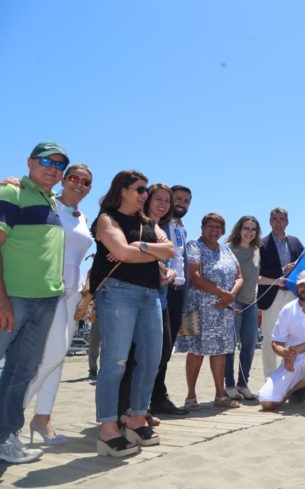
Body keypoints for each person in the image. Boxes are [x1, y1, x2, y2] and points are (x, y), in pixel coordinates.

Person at [91, 170, 173, 457]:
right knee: (115, 362)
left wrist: (139, 246)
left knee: (151, 358)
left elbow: (170, 250)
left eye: (145, 190)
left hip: (150, 295)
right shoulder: (107, 219)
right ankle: (108, 429)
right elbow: (122, 255)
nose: (144, 195)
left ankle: (138, 419)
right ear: (122, 190)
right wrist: (149, 251)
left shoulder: (148, 223)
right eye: (140, 189)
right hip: (117, 292)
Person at [0, 142, 68, 464]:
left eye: (59, 165)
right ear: (29, 162)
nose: (53, 168)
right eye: (46, 161)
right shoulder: (11, 194)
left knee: (21, 372)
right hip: (13, 298)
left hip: (46, 301)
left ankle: (4, 438)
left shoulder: (52, 202)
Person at [22, 164, 93, 445]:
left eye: (86, 182)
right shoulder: (48, 203)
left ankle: (43, 417)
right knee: (50, 357)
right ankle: (9, 416)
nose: (79, 184)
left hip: (73, 294)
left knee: (57, 357)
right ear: (63, 180)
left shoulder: (83, 217)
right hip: (47, 289)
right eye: (74, 178)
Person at [117, 184, 176, 423]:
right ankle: (125, 411)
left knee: (158, 356)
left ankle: (141, 408)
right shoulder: (134, 223)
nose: (163, 204)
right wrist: (154, 254)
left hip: (158, 299)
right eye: (158, 199)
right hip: (134, 297)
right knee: (131, 359)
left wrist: (169, 274)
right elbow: (126, 253)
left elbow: (168, 256)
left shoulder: (160, 228)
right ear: (147, 199)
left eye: (167, 201)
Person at [176, 213, 244, 410]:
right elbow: (194, 277)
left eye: (218, 227)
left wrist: (229, 296)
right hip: (195, 306)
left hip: (223, 309)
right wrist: (223, 294)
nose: (214, 230)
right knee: (195, 350)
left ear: (223, 230)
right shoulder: (193, 246)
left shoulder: (227, 251)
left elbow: (240, 277)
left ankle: (220, 395)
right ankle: (190, 396)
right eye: (210, 226)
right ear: (202, 227)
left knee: (220, 351)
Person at [258, 270, 305, 410]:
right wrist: (285, 353)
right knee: (266, 402)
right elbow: (276, 342)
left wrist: (295, 349)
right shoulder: (287, 309)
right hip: (292, 360)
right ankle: (301, 384)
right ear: (297, 287)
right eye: (302, 285)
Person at [150, 184, 193, 416]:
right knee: (154, 348)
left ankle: (158, 397)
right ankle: (147, 399)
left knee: (166, 349)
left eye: (187, 201)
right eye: (178, 199)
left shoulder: (181, 228)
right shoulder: (158, 224)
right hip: (160, 291)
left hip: (177, 291)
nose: (182, 204)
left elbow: (181, 262)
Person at [257, 208, 304, 379]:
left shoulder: (296, 242)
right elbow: (256, 273)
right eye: (275, 219)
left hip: (292, 295)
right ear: (270, 221)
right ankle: (270, 379)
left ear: (287, 222)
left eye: (282, 219)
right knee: (270, 338)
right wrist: (281, 270)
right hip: (271, 295)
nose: (278, 222)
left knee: (294, 337)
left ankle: (293, 379)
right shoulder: (260, 244)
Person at [224, 216, 262, 400]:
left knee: (249, 345)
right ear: (239, 229)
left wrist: (277, 280)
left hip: (251, 303)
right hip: (233, 303)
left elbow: (257, 278)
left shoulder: (257, 250)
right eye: (246, 228)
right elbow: (222, 277)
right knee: (230, 345)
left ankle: (243, 383)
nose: (249, 232)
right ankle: (229, 384)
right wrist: (230, 302)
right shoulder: (228, 249)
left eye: (253, 229)